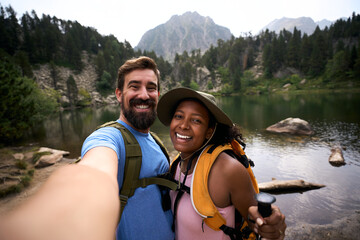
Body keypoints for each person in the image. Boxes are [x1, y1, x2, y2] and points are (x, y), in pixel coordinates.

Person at [157, 87, 287, 240]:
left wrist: (271, 226)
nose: (183, 125)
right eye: (179, 116)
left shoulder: (228, 170)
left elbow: (255, 219)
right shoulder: (177, 163)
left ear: (209, 132)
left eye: (196, 120)